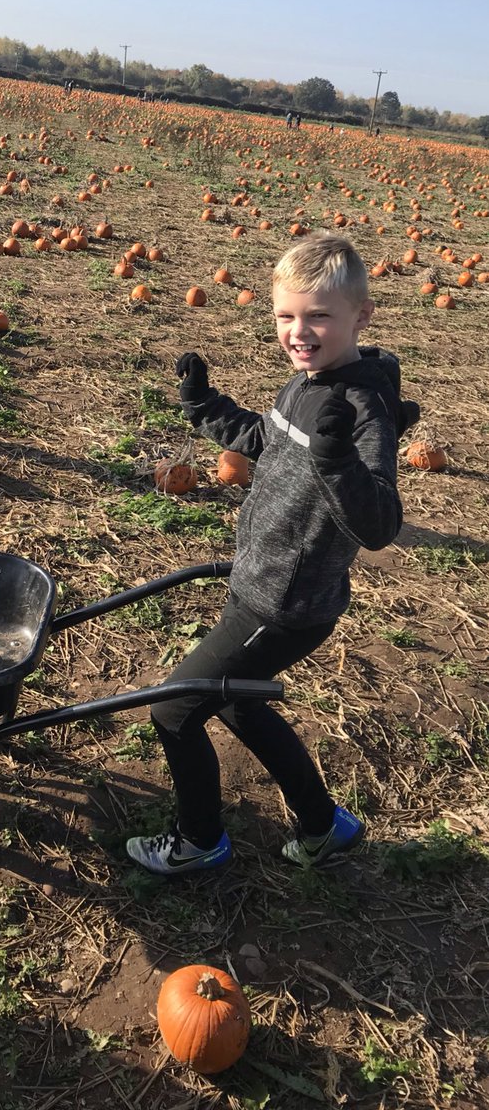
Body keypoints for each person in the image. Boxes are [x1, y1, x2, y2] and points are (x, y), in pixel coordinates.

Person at [126, 233, 419, 875]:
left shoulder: (364, 410)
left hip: (285, 598)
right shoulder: (306, 382)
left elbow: (379, 525)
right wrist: (207, 407)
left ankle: (200, 840)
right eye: (286, 316)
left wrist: (338, 460)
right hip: (265, 579)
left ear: (360, 317)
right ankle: (324, 825)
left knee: (174, 709)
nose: (300, 331)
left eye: (319, 316)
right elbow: (266, 438)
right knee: (237, 701)